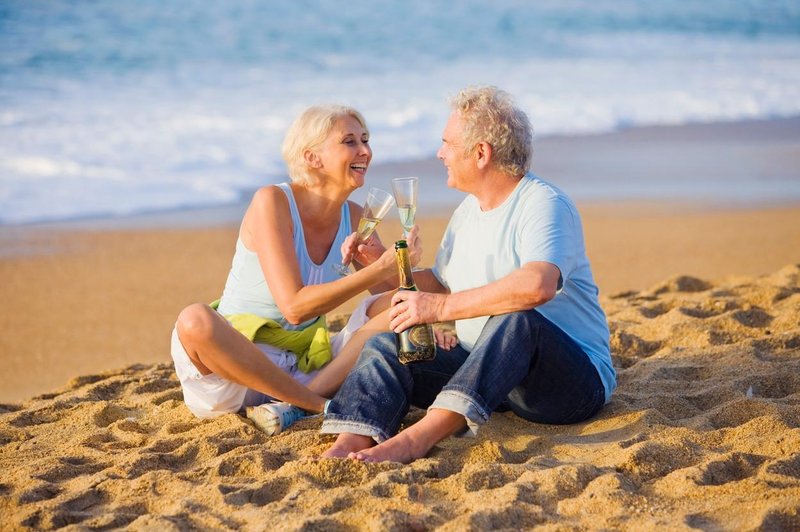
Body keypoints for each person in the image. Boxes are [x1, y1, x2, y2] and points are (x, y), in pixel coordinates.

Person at [320, 86, 616, 463]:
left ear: (481, 153)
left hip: (568, 386)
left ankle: (419, 439)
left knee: (519, 319)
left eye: (447, 143)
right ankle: (353, 440)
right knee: (385, 346)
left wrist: (439, 309)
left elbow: (538, 285)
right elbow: (441, 286)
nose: (440, 153)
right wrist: (378, 263)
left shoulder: (543, 204)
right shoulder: (467, 210)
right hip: (489, 375)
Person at [170, 104, 419, 420]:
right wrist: (377, 269)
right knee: (194, 320)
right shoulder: (272, 202)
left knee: (395, 307)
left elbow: (402, 295)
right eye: (350, 141)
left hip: (304, 367)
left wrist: (396, 266)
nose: (365, 151)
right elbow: (294, 307)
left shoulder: (356, 217)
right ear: (313, 157)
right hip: (236, 373)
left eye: (366, 140)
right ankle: (314, 404)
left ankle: (298, 403)